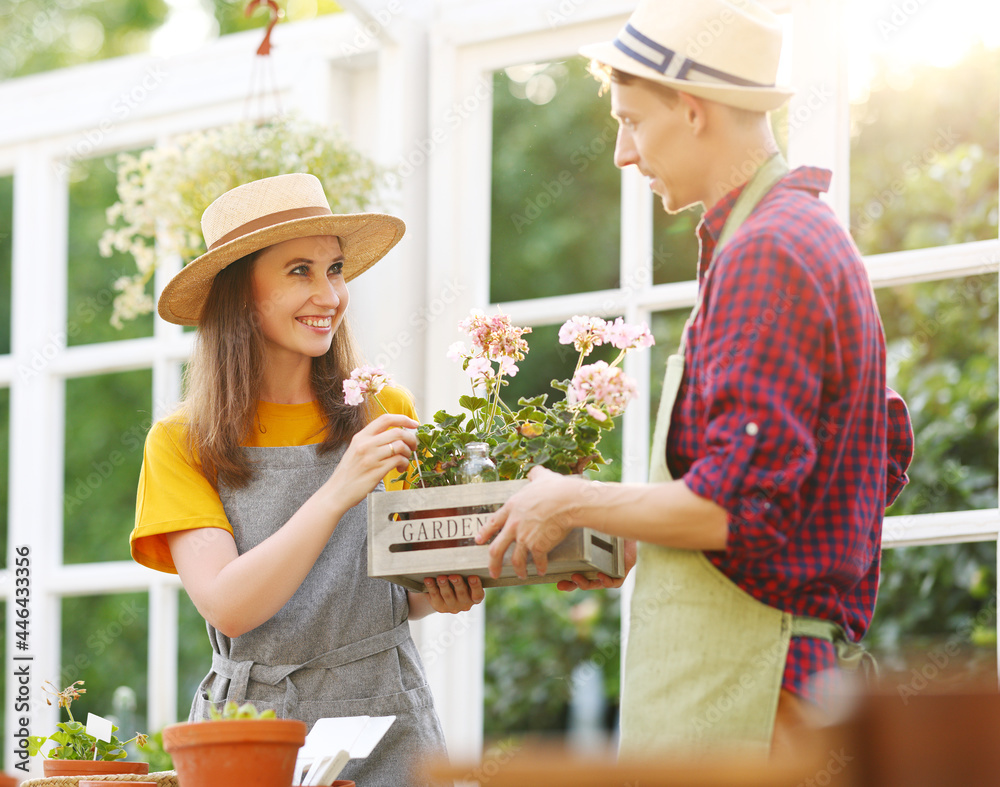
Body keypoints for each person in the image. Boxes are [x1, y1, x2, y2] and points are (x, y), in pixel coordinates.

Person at [477, 0, 914, 758]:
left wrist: (572, 495)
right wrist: (621, 537)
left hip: (759, 701)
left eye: (632, 121)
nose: (621, 152)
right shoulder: (784, 236)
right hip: (771, 686)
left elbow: (738, 508)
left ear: (691, 108)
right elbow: (794, 493)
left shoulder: (769, 253)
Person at [130, 173, 483, 786]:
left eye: (336, 269)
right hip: (252, 732)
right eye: (300, 271)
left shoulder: (383, 406)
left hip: (388, 721)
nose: (330, 294)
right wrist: (340, 487)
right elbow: (230, 606)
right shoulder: (183, 442)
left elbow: (399, 587)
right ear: (241, 293)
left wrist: (447, 584)